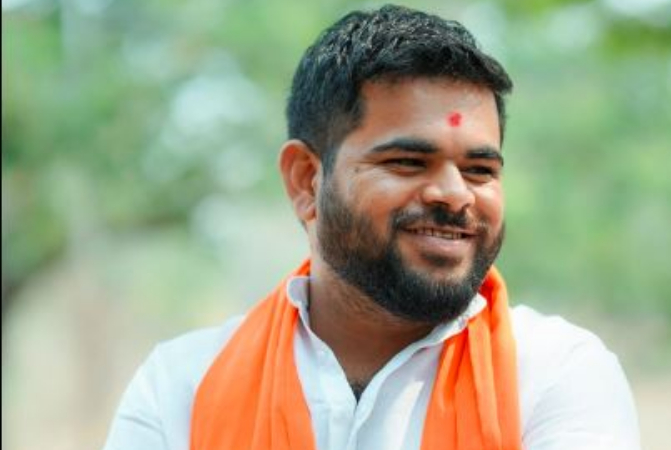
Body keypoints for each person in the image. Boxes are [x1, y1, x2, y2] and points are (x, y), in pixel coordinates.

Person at [103, 5, 641, 450]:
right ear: (306, 179)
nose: (455, 194)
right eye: (408, 162)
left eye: (480, 170)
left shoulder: (554, 375)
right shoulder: (181, 387)